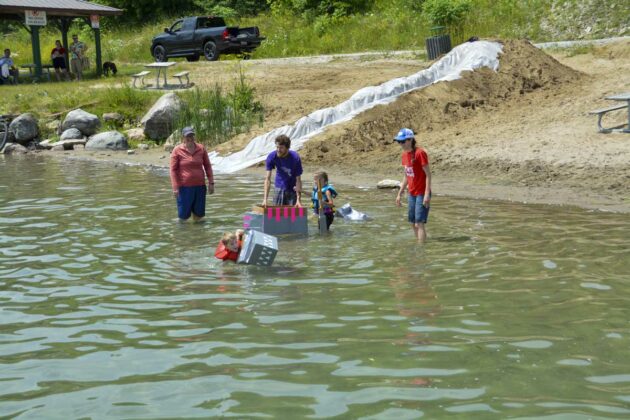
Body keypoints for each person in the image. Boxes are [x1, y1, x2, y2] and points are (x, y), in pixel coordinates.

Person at [394, 128, 432, 242]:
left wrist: (426, 194)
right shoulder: (404, 155)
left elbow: (428, 175)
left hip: (422, 192)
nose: (400, 144)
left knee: (419, 223)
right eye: (398, 142)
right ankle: (419, 243)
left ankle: (421, 250)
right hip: (412, 193)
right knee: (412, 222)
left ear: (410, 140)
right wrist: (399, 193)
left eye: (402, 141)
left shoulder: (420, 153)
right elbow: (406, 175)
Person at [170, 126, 214, 221]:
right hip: (184, 189)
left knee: (199, 216)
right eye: (187, 136)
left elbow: (207, 166)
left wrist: (211, 183)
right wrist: (175, 188)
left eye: (191, 136)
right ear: (183, 138)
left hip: (200, 187)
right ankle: (185, 235)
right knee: (183, 218)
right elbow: (173, 170)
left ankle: (198, 234)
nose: (190, 138)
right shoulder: (177, 150)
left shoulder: (201, 148)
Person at [263, 134, 303, 206]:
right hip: (278, 189)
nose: (278, 150)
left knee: (292, 216)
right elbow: (267, 179)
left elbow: (298, 180)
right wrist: (265, 199)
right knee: (277, 216)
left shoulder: (295, 158)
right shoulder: (272, 156)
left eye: (281, 148)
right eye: (277, 147)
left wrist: (298, 199)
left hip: (292, 190)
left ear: (287, 148)